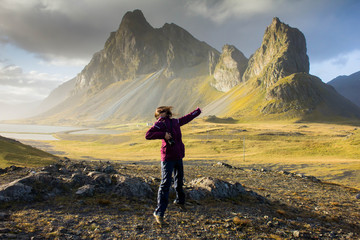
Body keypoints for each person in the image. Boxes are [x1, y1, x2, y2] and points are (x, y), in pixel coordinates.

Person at [145, 106, 201, 225]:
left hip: (178, 156)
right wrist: (163, 135)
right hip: (167, 158)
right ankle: (159, 212)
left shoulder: (175, 122)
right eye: (158, 114)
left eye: (161, 112)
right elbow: (148, 135)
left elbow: (187, 118)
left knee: (179, 180)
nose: (160, 115)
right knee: (165, 183)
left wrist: (197, 111)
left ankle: (180, 201)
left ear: (167, 112)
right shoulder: (159, 125)